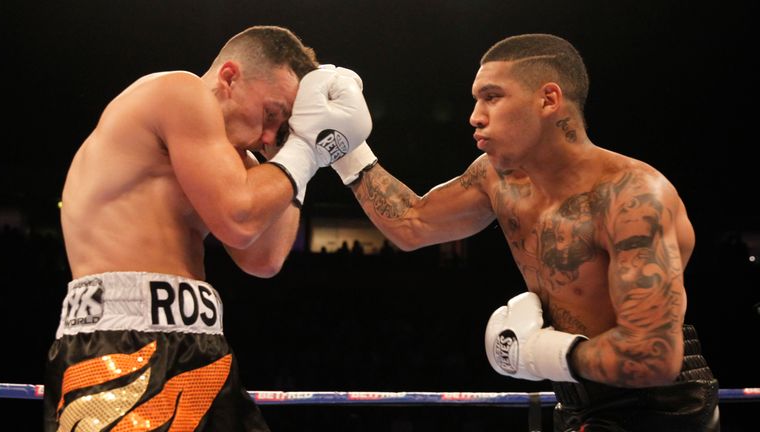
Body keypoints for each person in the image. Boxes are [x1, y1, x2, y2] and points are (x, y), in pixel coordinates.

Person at [329, 34, 719, 431]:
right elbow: (411, 224)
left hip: (659, 407)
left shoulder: (632, 197)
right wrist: (344, 147)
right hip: (575, 401)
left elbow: (655, 358)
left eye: (492, 97)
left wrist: (542, 353)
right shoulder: (497, 177)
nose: (475, 116)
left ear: (548, 100)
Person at [45, 25, 371, 431]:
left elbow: (264, 258)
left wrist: (300, 150)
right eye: (271, 113)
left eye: (283, 125)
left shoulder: (236, 160)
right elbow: (239, 220)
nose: (268, 135)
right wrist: (304, 151)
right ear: (230, 77)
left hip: (201, 346)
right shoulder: (178, 93)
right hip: (122, 344)